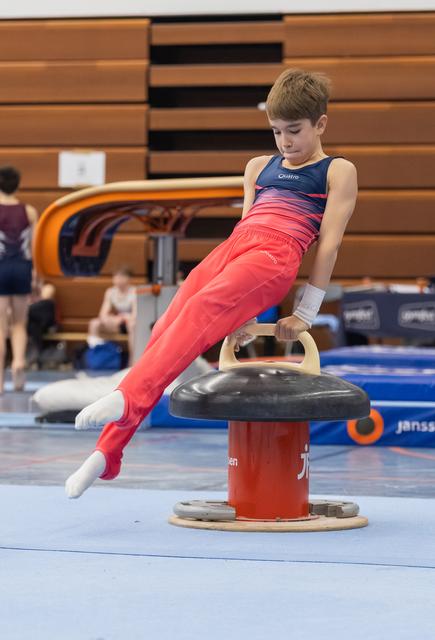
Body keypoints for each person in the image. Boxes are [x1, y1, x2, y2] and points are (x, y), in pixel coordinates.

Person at [65, 68, 358, 498]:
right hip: (235, 249)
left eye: (294, 131)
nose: (284, 142)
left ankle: (126, 397)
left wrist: (304, 314)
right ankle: (109, 453)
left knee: (200, 311)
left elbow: (328, 246)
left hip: (276, 255)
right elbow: (244, 226)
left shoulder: (338, 171)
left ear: (321, 124)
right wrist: (240, 313)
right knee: (166, 327)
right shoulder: (259, 166)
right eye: (276, 132)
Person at [0, 166, 37, 393]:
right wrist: (36, 277)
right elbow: (33, 247)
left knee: (0, 324)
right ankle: (18, 362)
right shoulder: (29, 211)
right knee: (19, 323)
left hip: (1, 267)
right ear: (18, 185)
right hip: (22, 267)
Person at [87, 267, 137, 366]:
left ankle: (133, 361)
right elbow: (103, 314)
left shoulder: (135, 291)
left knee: (132, 325)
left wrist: (124, 318)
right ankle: (96, 356)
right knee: (94, 323)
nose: (118, 280)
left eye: (121, 277)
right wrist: (114, 319)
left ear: (128, 278)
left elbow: (135, 315)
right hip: (117, 322)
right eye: (116, 277)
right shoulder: (110, 292)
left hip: (131, 323)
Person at [27, 277, 57, 368]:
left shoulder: (47, 287)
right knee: (33, 324)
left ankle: (36, 354)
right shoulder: (22, 290)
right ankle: (38, 354)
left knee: (45, 306)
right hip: (31, 324)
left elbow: (45, 301)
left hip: (47, 322)